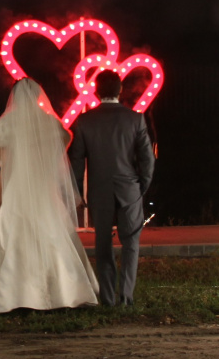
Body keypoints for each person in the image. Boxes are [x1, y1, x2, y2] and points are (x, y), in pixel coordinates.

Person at [0, 79, 101, 313]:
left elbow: (6, 168)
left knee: (11, 239)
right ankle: (59, 292)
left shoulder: (9, 124)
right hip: (44, 190)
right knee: (51, 237)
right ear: (38, 97)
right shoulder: (50, 123)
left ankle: (12, 294)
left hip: (17, 190)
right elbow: (65, 140)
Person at [66, 70, 154, 306]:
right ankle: (126, 297)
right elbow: (147, 159)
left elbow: (76, 160)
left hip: (99, 190)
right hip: (130, 188)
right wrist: (141, 186)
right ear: (120, 90)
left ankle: (107, 298)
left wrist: (76, 192)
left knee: (102, 243)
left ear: (96, 90)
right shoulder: (136, 119)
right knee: (131, 242)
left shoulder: (84, 121)